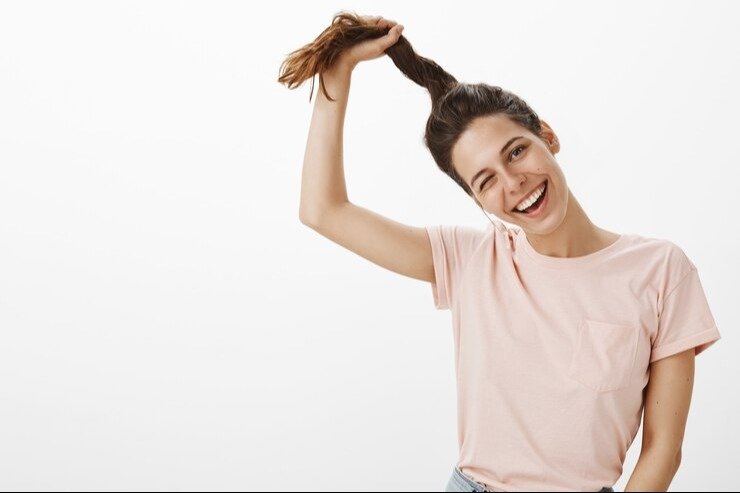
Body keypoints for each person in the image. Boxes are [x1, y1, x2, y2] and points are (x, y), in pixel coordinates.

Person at [279, 11, 721, 492]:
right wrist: (336, 73)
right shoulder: (469, 260)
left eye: (516, 152)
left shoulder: (661, 271)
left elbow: (662, 451)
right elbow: (322, 210)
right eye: (486, 180)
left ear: (546, 137)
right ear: (477, 199)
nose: (515, 184)